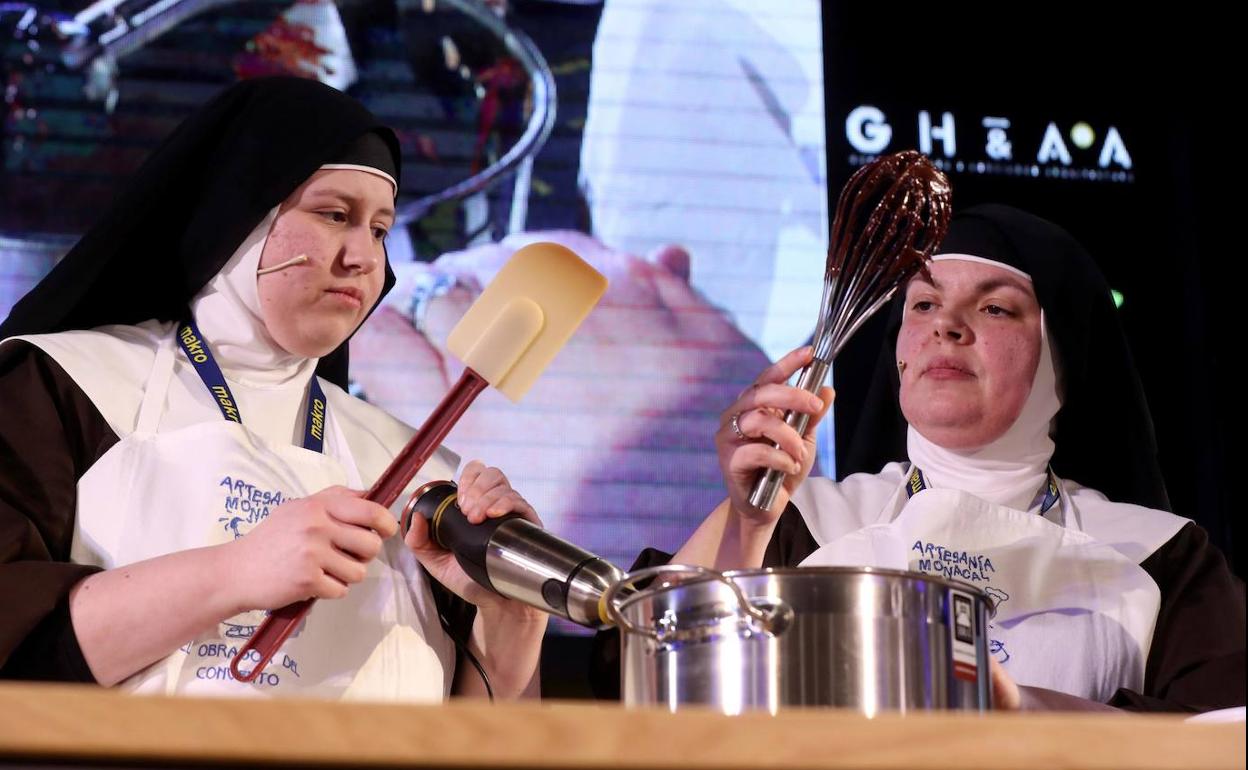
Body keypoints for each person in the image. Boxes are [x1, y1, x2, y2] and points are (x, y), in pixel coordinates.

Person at [0, 76, 544, 700]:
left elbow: (474, 741)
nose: (365, 257)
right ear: (241, 217)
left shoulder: (415, 470)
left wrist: (512, 617)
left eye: (380, 229)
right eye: (335, 214)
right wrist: (234, 573)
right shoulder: (67, 386)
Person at [658, 204, 1245, 712]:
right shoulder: (799, 518)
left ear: (1062, 356)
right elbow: (656, 679)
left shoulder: (1160, 557)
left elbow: (1219, 732)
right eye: (922, 304)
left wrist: (1019, 708)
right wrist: (748, 527)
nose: (946, 325)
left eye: (996, 309)